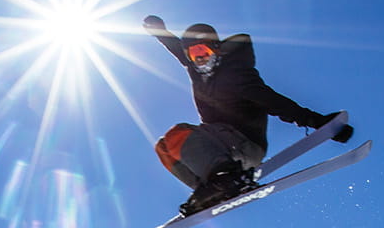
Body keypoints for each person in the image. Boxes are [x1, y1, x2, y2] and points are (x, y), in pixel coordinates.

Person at [144, 14, 353, 216]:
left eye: (203, 51)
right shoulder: (197, 70)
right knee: (164, 147)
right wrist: (160, 32)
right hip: (220, 148)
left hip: (245, 144)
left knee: (179, 134)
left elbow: (274, 102)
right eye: (193, 55)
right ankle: (210, 190)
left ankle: (224, 179)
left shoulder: (235, 74)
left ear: (217, 51)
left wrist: (319, 123)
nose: (199, 59)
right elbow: (176, 48)